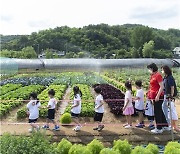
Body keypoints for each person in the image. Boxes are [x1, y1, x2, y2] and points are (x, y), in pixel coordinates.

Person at [147, 63, 168, 134]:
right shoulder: (152, 75)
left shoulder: (158, 75)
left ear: (152, 68)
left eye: (149, 69)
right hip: (154, 96)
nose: (149, 70)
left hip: (158, 96)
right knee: (159, 110)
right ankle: (165, 125)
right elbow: (152, 86)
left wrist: (157, 96)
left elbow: (162, 87)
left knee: (157, 112)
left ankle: (159, 128)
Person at [161, 65, 179, 131]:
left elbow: (172, 87)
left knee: (170, 110)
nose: (162, 71)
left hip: (169, 96)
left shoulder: (170, 77)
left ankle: (171, 125)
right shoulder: (165, 77)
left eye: (162, 70)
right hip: (166, 95)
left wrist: (171, 96)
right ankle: (171, 125)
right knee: (167, 109)